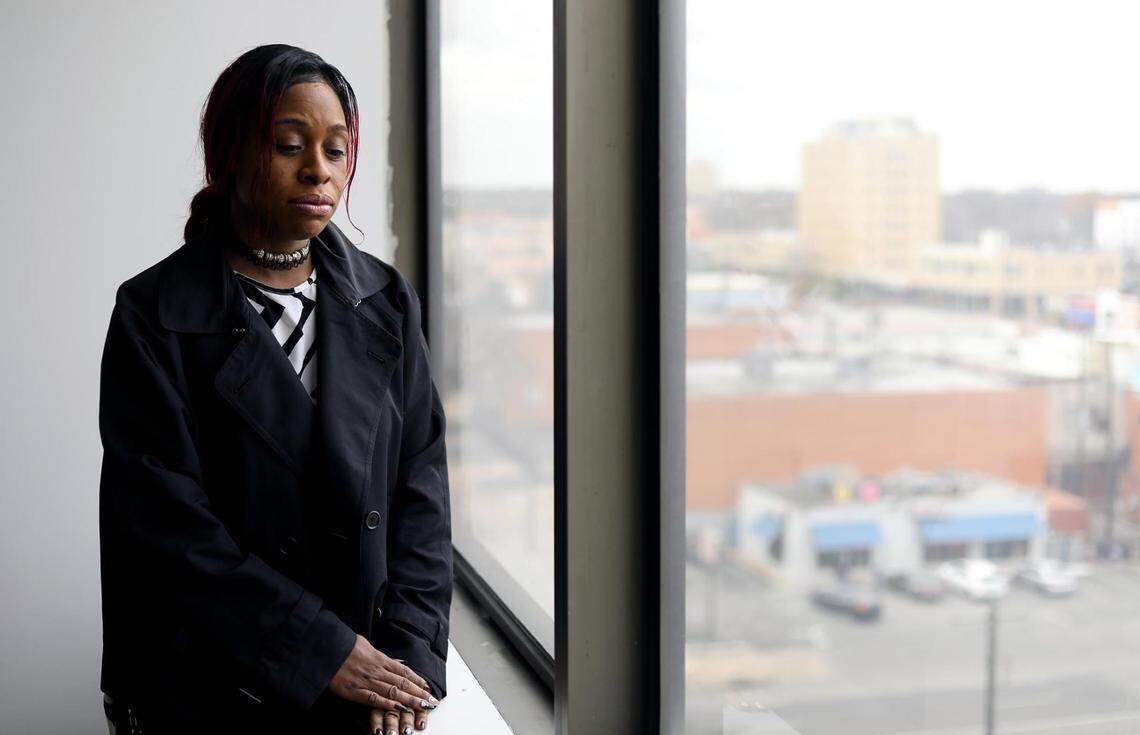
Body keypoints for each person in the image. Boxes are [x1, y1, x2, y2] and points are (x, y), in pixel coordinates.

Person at [97, 44, 452, 735]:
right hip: (209, 689)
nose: (319, 169)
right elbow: (168, 532)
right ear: (230, 151)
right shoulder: (154, 313)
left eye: (337, 148)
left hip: (364, 694)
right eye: (290, 145)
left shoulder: (386, 300)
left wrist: (404, 661)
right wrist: (323, 650)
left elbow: (422, 489)